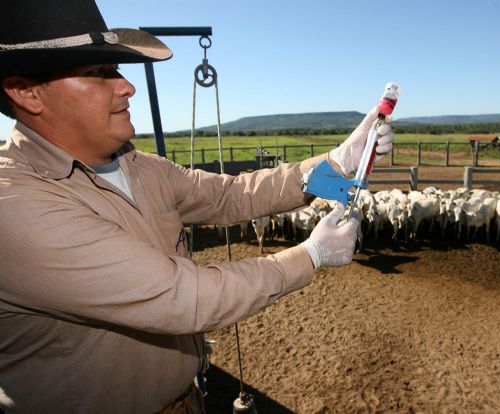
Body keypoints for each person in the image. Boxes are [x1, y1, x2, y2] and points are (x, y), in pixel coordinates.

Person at [0, 1, 394, 413]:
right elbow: (184, 297)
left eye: (116, 70)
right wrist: (311, 255)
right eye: (99, 73)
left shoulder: (138, 166)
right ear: (26, 92)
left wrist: (336, 161)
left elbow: (230, 195)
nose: (126, 86)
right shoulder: (15, 204)